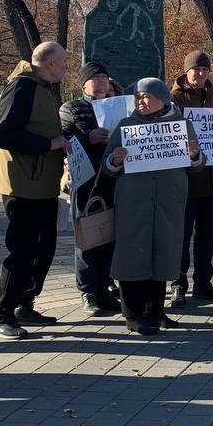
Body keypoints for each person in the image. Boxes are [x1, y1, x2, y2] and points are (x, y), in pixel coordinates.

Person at [102, 79, 205, 334]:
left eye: (146, 96)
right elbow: (106, 167)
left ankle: (156, 312)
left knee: (162, 254)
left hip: (167, 203)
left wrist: (194, 155)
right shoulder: (127, 126)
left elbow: (198, 164)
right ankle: (133, 315)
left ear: (163, 99)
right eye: (137, 97)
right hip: (133, 204)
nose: (140, 101)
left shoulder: (181, 126)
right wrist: (115, 159)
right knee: (132, 256)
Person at [0, 43, 69, 340]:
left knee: (43, 249)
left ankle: (25, 304)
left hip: (43, 184)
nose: (65, 68)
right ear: (48, 63)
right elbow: (3, 133)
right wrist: (49, 145)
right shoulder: (21, 87)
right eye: (62, 62)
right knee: (22, 251)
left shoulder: (42, 87)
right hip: (22, 187)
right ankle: (2, 312)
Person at [59, 60, 123, 316]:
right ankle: (88, 291)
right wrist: (88, 138)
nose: (101, 80)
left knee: (109, 236)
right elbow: (63, 139)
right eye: (95, 77)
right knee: (87, 237)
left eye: (105, 76)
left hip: (115, 179)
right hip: (86, 182)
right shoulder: (72, 108)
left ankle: (105, 287)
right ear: (83, 82)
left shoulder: (119, 104)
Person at [170, 51, 213, 305]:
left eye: (205, 70)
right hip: (185, 181)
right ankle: (178, 284)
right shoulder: (173, 99)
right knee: (181, 236)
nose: (201, 74)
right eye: (196, 70)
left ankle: (203, 283)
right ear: (186, 71)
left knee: (206, 236)